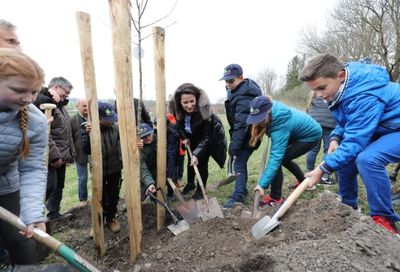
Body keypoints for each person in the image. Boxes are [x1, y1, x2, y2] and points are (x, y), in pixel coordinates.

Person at [299, 53, 400, 234]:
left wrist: (322, 169)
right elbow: (348, 120)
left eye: (322, 88)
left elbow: (355, 140)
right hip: (383, 126)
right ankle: (348, 208)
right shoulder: (344, 89)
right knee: (344, 159)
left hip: (396, 128)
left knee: (367, 159)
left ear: (341, 75)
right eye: (315, 91)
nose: (320, 95)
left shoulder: (363, 94)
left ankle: (383, 219)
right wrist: (336, 138)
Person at [0, 48, 47, 264]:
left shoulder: (35, 122)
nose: (29, 99)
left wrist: (34, 213)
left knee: (20, 240)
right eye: (20, 90)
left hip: (6, 186)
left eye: (35, 92)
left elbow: (32, 168)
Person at [247, 96, 322, 206]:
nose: (259, 123)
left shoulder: (280, 124)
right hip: (298, 133)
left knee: (279, 160)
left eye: (261, 119)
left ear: (268, 112)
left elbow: (276, 158)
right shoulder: (272, 109)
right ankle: (303, 182)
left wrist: (262, 184)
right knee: (283, 159)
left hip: (310, 136)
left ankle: (275, 197)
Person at [171, 83, 227, 200]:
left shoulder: (205, 114)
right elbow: (179, 126)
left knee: (201, 163)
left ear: (196, 98)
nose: (189, 105)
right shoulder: (178, 111)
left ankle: (201, 190)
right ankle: (191, 183)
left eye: (192, 101)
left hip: (207, 140)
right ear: (179, 103)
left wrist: (197, 154)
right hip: (192, 139)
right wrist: (184, 138)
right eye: (185, 103)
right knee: (190, 162)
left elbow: (207, 137)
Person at [220, 64, 262, 208]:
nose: (228, 84)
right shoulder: (240, 91)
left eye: (231, 81)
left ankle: (238, 197)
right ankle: (242, 190)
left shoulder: (244, 95)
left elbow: (241, 124)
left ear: (241, 78)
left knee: (238, 163)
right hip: (247, 134)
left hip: (249, 135)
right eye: (226, 81)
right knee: (241, 163)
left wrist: (234, 147)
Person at [34, 77, 76, 220]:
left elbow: (65, 131)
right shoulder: (46, 104)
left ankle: (54, 214)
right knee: (49, 186)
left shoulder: (61, 106)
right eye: (65, 93)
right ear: (56, 88)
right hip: (52, 154)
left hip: (61, 154)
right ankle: (37, 216)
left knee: (58, 186)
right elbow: (46, 132)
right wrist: (54, 155)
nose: (66, 97)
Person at [81, 102, 124, 233]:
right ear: (98, 118)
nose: (111, 122)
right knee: (99, 196)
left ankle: (110, 218)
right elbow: (86, 150)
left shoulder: (116, 128)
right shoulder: (88, 128)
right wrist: (87, 135)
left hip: (115, 168)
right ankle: (97, 222)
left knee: (113, 195)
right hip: (98, 169)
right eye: (108, 120)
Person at [305, 90, 337, 185]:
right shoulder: (328, 93)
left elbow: (308, 110)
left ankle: (309, 172)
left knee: (313, 150)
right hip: (329, 124)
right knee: (328, 150)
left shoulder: (312, 96)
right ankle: (324, 175)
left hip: (313, 124)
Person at [70, 98, 89, 207]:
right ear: (78, 107)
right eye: (83, 106)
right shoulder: (73, 121)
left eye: (87, 106)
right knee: (82, 178)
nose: (86, 108)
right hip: (80, 154)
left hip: (94, 154)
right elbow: (70, 138)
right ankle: (83, 199)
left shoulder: (94, 119)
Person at [138, 123, 158, 200]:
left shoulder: (159, 139)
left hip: (159, 171)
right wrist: (150, 183)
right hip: (147, 173)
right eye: (144, 136)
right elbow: (143, 169)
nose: (147, 138)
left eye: (149, 134)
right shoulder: (140, 151)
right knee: (140, 196)